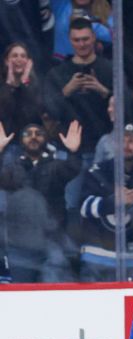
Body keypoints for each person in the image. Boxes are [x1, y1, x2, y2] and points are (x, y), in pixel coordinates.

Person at [0, 121, 82, 282]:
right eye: (28, 134)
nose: (33, 137)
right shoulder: (13, 167)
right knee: (21, 294)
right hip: (20, 244)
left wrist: (73, 152)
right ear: (21, 140)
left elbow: (71, 169)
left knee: (55, 293)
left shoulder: (55, 166)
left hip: (53, 241)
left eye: (38, 134)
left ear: (46, 139)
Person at [77, 124, 133, 282]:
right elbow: (84, 207)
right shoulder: (97, 171)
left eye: (131, 140)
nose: (126, 145)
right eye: (122, 140)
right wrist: (114, 202)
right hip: (95, 257)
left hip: (130, 261)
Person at [43, 17, 112, 156]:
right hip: (67, 147)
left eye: (85, 39)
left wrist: (103, 91)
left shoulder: (110, 70)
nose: (81, 44)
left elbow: (126, 107)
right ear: (70, 40)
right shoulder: (57, 73)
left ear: (93, 38)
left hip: (104, 146)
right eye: (77, 40)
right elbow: (49, 111)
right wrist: (66, 91)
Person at [0, 42, 44, 157]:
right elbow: (3, 113)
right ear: (6, 61)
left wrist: (24, 84)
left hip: (31, 145)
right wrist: (10, 85)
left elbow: (33, 115)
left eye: (23, 56)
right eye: (14, 56)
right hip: (5, 145)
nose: (19, 59)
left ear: (29, 62)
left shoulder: (35, 85)